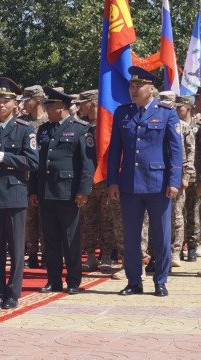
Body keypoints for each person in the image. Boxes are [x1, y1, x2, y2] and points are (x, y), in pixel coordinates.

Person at [108, 66, 182, 297]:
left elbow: (175, 150)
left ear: (151, 88)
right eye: (132, 85)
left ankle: (160, 280)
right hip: (129, 184)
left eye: (139, 86)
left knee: (160, 236)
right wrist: (113, 181)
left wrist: (174, 181)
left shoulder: (167, 112)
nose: (134, 89)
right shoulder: (123, 113)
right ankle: (134, 281)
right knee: (131, 238)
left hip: (158, 184)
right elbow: (115, 150)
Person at [0, 77, 39, 309]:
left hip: (14, 195)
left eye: (7, 100)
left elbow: (33, 162)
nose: (1, 104)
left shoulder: (24, 128)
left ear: (15, 103)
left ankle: (13, 293)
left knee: (15, 247)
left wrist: (6, 158)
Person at [29, 87, 95, 295]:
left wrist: (83, 191)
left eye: (51, 105)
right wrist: (33, 190)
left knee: (71, 239)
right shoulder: (44, 130)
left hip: (68, 193)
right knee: (50, 240)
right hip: (46, 192)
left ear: (62, 107)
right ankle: (53, 280)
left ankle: (73, 281)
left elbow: (87, 164)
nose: (47, 108)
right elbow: (36, 164)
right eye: (47, 104)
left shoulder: (80, 129)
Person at [74, 89, 116, 272]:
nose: (79, 106)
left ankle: (106, 255)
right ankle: (90, 255)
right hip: (87, 180)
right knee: (88, 220)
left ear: (92, 103)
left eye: (82, 102)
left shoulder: (109, 126)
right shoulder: (83, 127)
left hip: (105, 179)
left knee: (107, 220)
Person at [21, 85, 48, 268]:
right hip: (25, 178)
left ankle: (47, 254)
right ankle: (31, 254)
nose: (23, 103)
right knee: (29, 220)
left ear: (37, 101)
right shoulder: (21, 123)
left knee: (45, 219)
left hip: (44, 178)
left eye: (27, 99)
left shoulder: (48, 122)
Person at [171, 95, 196, 266]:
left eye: (179, 107)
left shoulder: (185, 128)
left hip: (179, 177)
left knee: (178, 215)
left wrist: (186, 175)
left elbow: (190, 153)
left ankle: (176, 251)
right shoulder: (166, 124)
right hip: (163, 177)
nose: (175, 109)